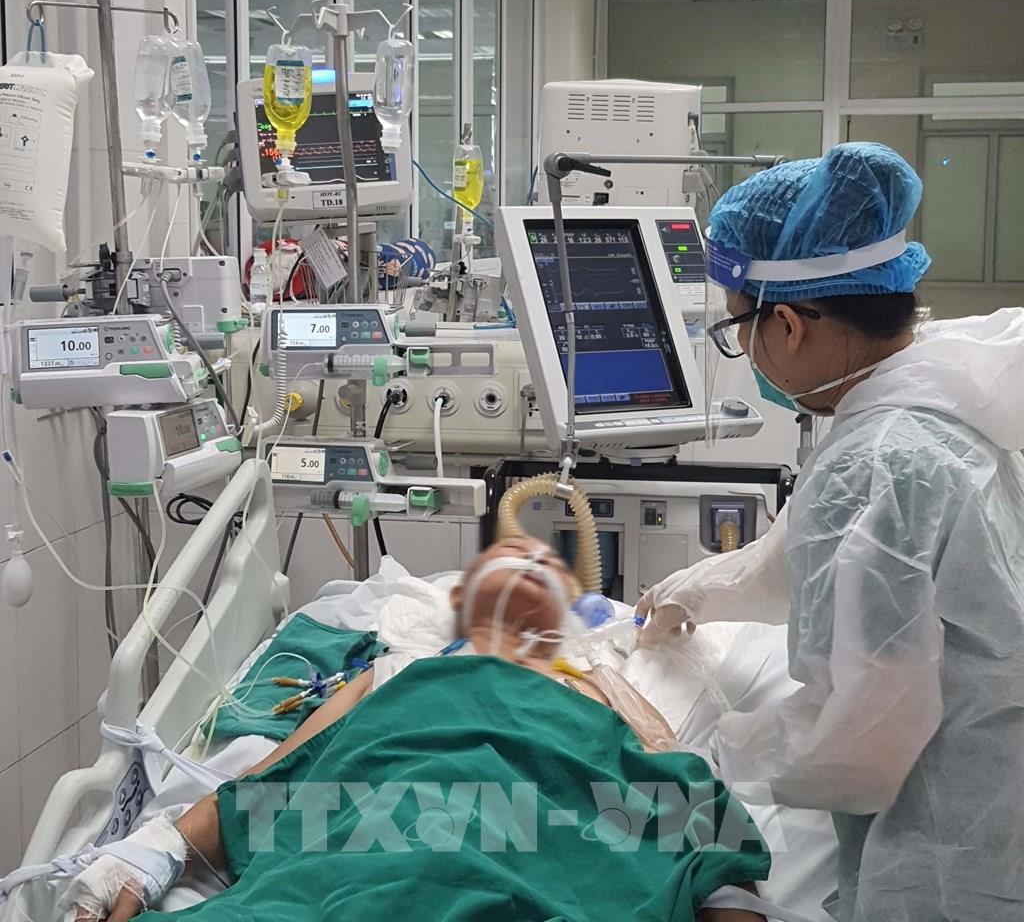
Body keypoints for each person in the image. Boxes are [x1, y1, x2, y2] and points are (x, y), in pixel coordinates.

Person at [639, 142, 1024, 922]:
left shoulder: (878, 464)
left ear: (787, 324)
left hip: (952, 852)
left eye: (737, 329)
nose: (744, 350)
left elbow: (861, 743)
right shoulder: (934, 400)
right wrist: (697, 591)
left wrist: (704, 758)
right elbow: (813, 562)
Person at [70, 537, 771, 922]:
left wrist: (726, 896)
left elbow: (675, 780)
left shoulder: (591, 680)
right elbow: (275, 780)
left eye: (541, 574)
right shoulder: (399, 670)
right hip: (376, 838)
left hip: (543, 842)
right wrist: (153, 852)